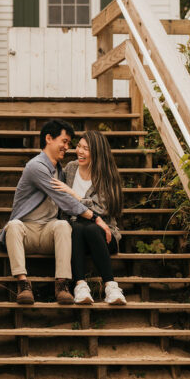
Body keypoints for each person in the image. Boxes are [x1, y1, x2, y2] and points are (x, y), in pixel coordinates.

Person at [0, 118, 100, 306]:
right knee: (12, 226)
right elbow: (63, 199)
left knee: (63, 225)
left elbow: (69, 199)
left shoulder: (61, 172)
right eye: (64, 141)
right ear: (48, 139)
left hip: (48, 232)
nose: (67, 147)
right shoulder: (36, 166)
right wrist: (94, 217)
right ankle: (22, 284)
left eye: (69, 143)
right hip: (25, 232)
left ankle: (62, 285)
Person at [53, 129, 127, 305]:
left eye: (85, 148)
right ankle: (81, 286)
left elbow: (102, 209)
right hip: (76, 234)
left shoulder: (107, 176)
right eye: (78, 146)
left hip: (103, 235)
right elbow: (62, 203)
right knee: (77, 226)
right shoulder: (70, 169)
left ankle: (110, 287)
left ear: (97, 152)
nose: (79, 151)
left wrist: (75, 196)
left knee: (92, 227)